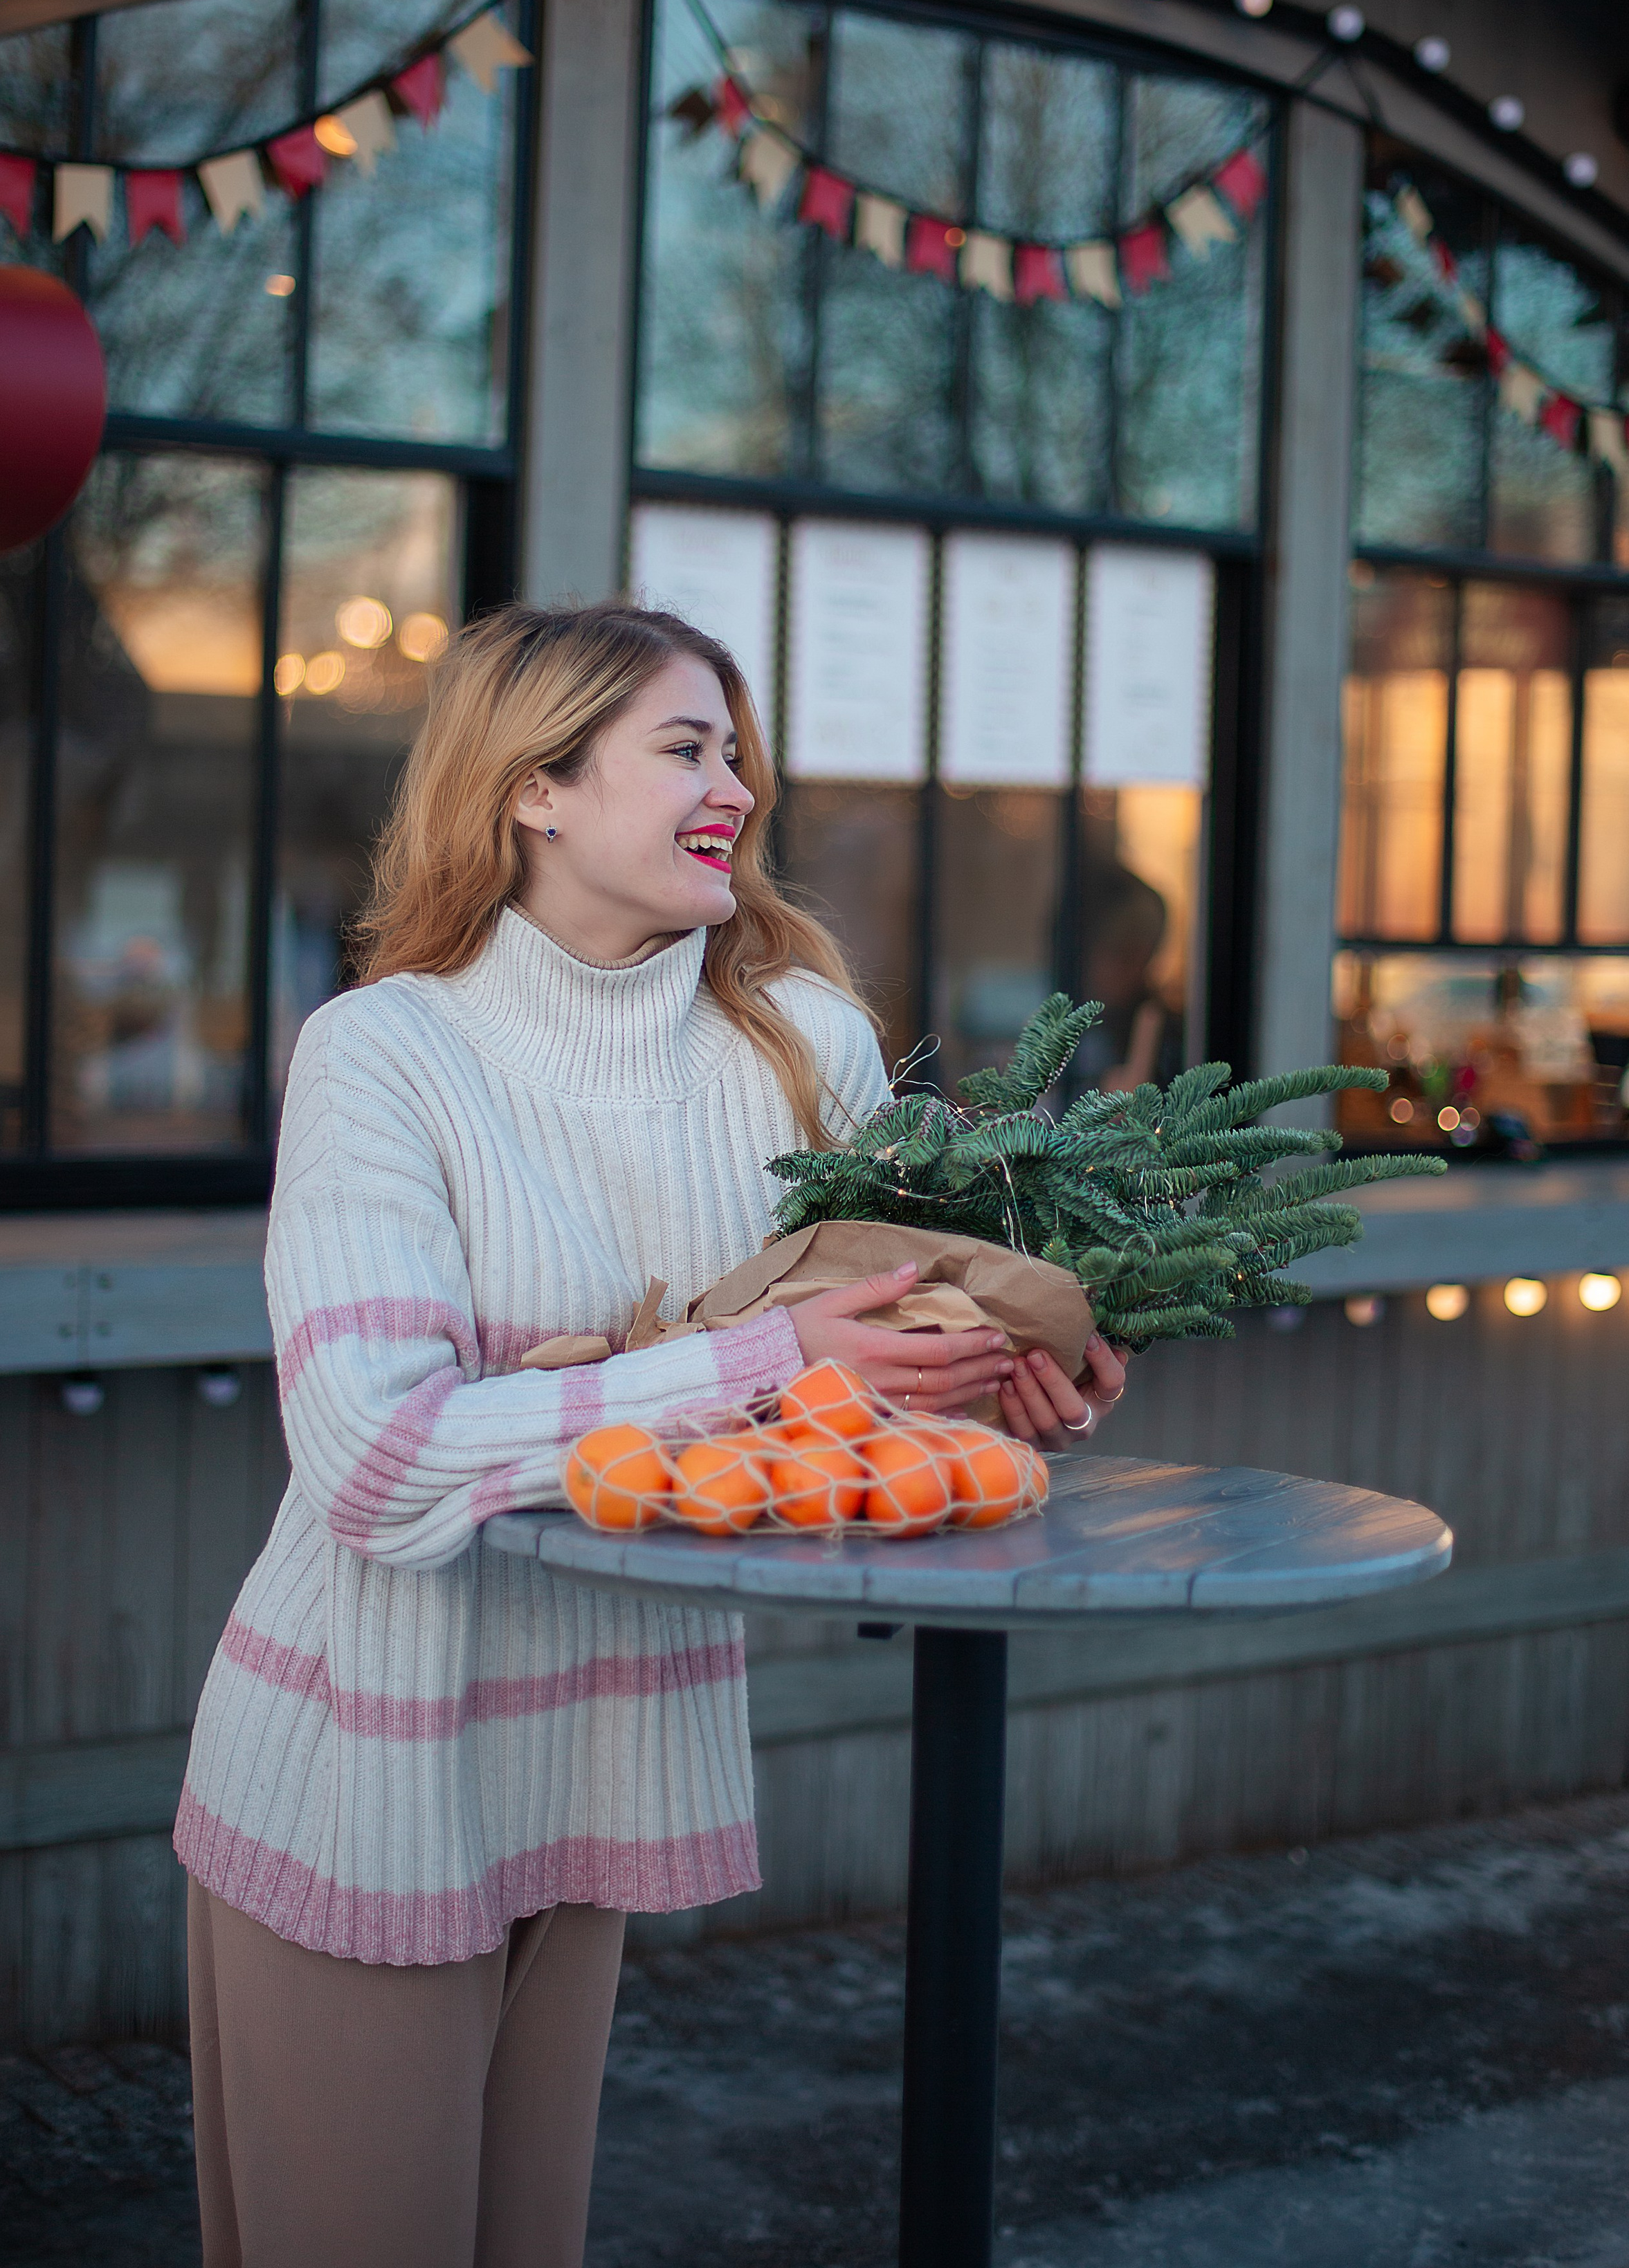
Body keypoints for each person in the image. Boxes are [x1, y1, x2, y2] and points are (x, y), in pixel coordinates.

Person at [176, 601, 1128, 2268]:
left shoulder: (800, 1048)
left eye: (736, 749)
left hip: (587, 1763)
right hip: (370, 1765)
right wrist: (758, 1353)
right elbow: (377, 1462)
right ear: (534, 789)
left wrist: (1012, 1348)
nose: (734, 786)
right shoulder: (385, 1058)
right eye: (683, 747)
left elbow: (897, 1324)